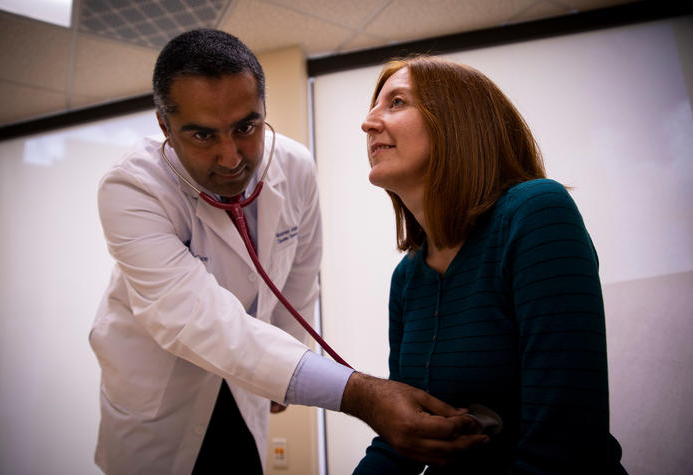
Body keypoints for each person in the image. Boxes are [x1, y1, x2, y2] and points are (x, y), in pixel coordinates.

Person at [90, 30, 488, 475]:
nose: (230, 158)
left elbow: (299, 280)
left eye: (246, 127)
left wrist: (284, 370)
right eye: (202, 135)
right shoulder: (132, 189)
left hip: (246, 391)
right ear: (165, 127)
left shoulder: (294, 167)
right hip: (161, 405)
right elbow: (197, 321)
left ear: (264, 110)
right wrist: (359, 393)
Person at [354, 56, 628, 474]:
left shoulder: (536, 212)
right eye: (375, 106)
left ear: (458, 121)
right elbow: (404, 441)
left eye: (396, 103)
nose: (368, 123)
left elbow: (564, 448)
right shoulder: (408, 277)